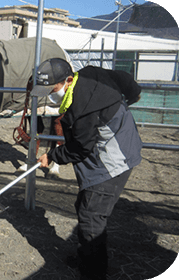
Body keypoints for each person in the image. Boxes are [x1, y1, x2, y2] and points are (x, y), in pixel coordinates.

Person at [35, 58, 142, 280]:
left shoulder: (81, 109)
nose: (49, 93)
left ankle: (94, 272)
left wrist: (52, 156)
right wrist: (132, 96)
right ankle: (87, 257)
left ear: (68, 79)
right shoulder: (91, 73)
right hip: (115, 142)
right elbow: (125, 79)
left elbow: (79, 149)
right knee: (84, 205)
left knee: (91, 215)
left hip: (115, 158)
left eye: (52, 88)